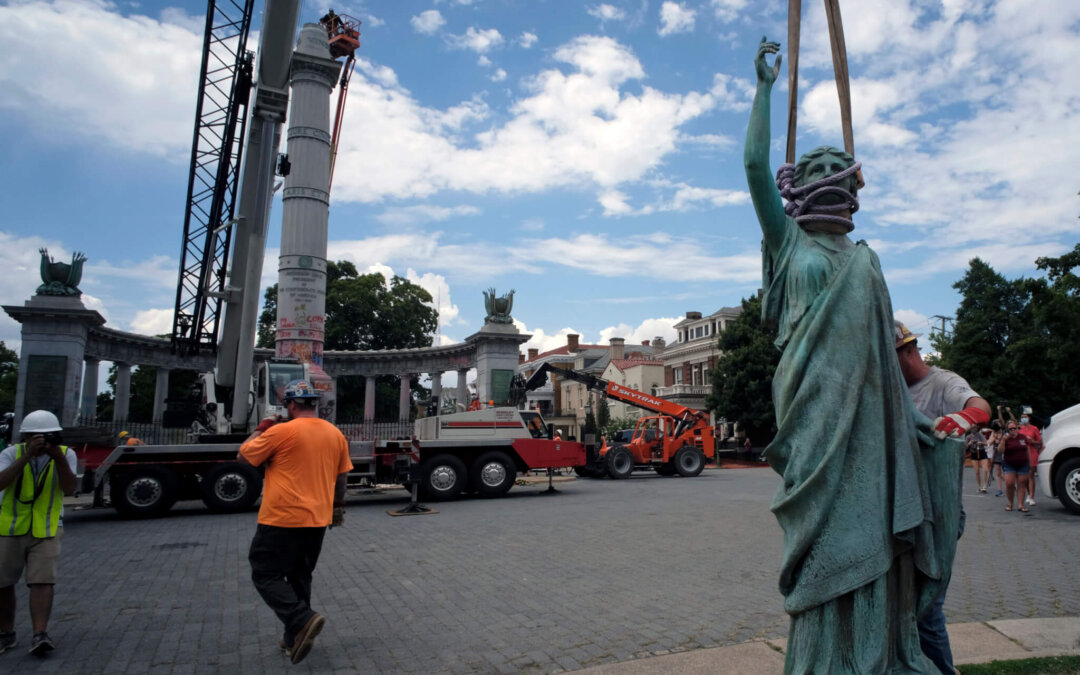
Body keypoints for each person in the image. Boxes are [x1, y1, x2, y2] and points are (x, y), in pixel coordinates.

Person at [747, 36, 965, 673]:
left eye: (832, 162)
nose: (822, 167)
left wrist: (919, 425)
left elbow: (882, 357)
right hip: (816, 421)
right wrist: (764, 89)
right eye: (811, 163)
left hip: (872, 424)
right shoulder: (790, 246)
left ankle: (877, 652)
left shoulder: (866, 260)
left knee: (875, 535)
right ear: (803, 186)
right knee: (828, 539)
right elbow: (757, 170)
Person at [895, 320, 991, 674]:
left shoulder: (942, 382)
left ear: (908, 350)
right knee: (902, 606)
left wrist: (964, 417)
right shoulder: (892, 390)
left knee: (926, 608)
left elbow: (981, 406)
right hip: (904, 513)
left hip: (938, 512)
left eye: (890, 359)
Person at [238, 380, 352, 665]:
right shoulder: (335, 434)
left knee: (265, 574)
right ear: (314, 404)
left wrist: (263, 426)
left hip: (281, 518)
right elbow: (341, 478)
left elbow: (244, 455)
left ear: (290, 405)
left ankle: (302, 619)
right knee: (300, 576)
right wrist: (337, 507)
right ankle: (294, 638)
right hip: (317, 519)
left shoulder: (280, 431)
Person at [0, 410, 78, 657]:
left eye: (47, 437)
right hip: (10, 528)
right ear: (25, 437)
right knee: (3, 583)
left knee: (42, 581)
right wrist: (27, 457)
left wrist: (57, 458)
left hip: (47, 527)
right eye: (36, 437)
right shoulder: (11, 453)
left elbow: (69, 489)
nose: (41, 441)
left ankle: (40, 634)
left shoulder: (66, 454)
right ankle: (6, 633)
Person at [998, 421, 1031, 512]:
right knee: (1009, 483)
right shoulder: (1006, 438)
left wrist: (1030, 462)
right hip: (1009, 463)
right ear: (1007, 430)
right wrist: (1003, 440)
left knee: (1021, 483)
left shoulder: (1023, 437)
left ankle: (1020, 505)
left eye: (1014, 428)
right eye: (1010, 429)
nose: (1013, 430)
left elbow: (1027, 449)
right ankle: (1010, 503)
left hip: (1023, 463)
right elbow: (1000, 450)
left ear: (1017, 428)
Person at [1017, 407, 1043, 507]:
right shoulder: (1019, 429)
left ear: (1029, 418)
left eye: (1025, 417)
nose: (1023, 418)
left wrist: (1032, 441)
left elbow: (1040, 442)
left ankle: (1031, 496)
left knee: (1031, 475)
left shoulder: (1034, 428)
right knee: (1025, 477)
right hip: (1022, 452)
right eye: (1022, 417)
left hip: (1032, 452)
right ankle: (1028, 494)